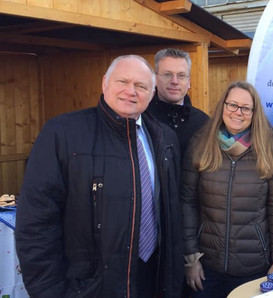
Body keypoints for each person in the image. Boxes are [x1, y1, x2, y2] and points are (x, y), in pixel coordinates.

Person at [15, 55, 185, 297]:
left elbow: (171, 214)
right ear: (105, 83)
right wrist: (49, 291)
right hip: (90, 286)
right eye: (123, 81)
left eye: (141, 86)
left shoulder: (164, 138)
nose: (131, 91)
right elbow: (36, 223)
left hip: (153, 277)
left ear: (153, 91)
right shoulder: (63, 134)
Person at [181, 81, 273, 297]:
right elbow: (187, 202)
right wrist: (190, 258)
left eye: (245, 108)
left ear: (254, 112)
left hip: (253, 266)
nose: (238, 112)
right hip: (207, 266)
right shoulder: (201, 144)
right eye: (232, 105)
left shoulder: (270, 147)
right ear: (223, 106)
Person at [147, 48, 209, 154]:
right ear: (155, 80)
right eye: (167, 75)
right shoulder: (143, 118)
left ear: (189, 82)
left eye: (181, 75)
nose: (175, 81)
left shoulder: (204, 123)